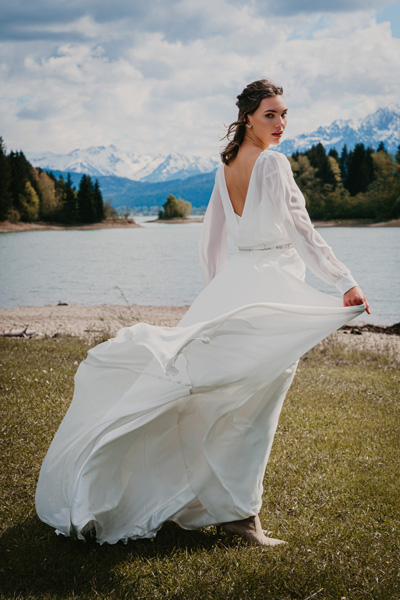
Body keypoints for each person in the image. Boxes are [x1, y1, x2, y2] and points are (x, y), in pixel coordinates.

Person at [35, 79, 368, 547]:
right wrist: (344, 281)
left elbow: (211, 241)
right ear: (248, 116)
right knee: (253, 409)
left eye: (284, 114)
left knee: (222, 401)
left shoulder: (226, 164)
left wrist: (217, 296)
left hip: (237, 284)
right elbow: (300, 229)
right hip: (267, 286)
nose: (280, 124)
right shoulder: (272, 163)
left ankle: (214, 504)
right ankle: (240, 517)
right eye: (270, 114)